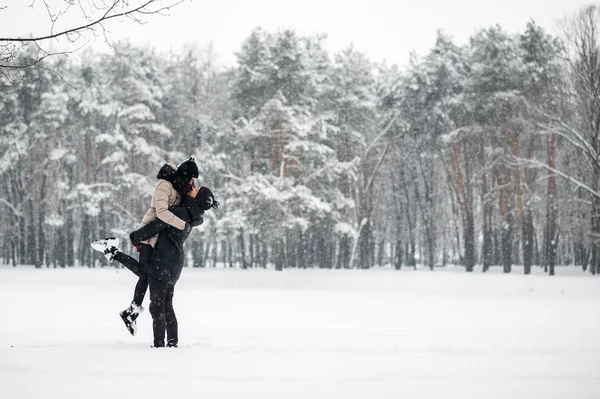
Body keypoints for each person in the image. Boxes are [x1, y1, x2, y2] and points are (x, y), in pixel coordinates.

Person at [91, 158, 215, 335]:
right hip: (150, 233)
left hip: (160, 235)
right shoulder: (164, 186)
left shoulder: (180, 189)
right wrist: (182, 224)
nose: (192, 183)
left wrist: (197, 215)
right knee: (144, 272)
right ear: (186, 176)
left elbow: (189, 209)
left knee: (146, 274)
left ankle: (130, 312)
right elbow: (163, 212)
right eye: (192, 179)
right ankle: (113, 252)